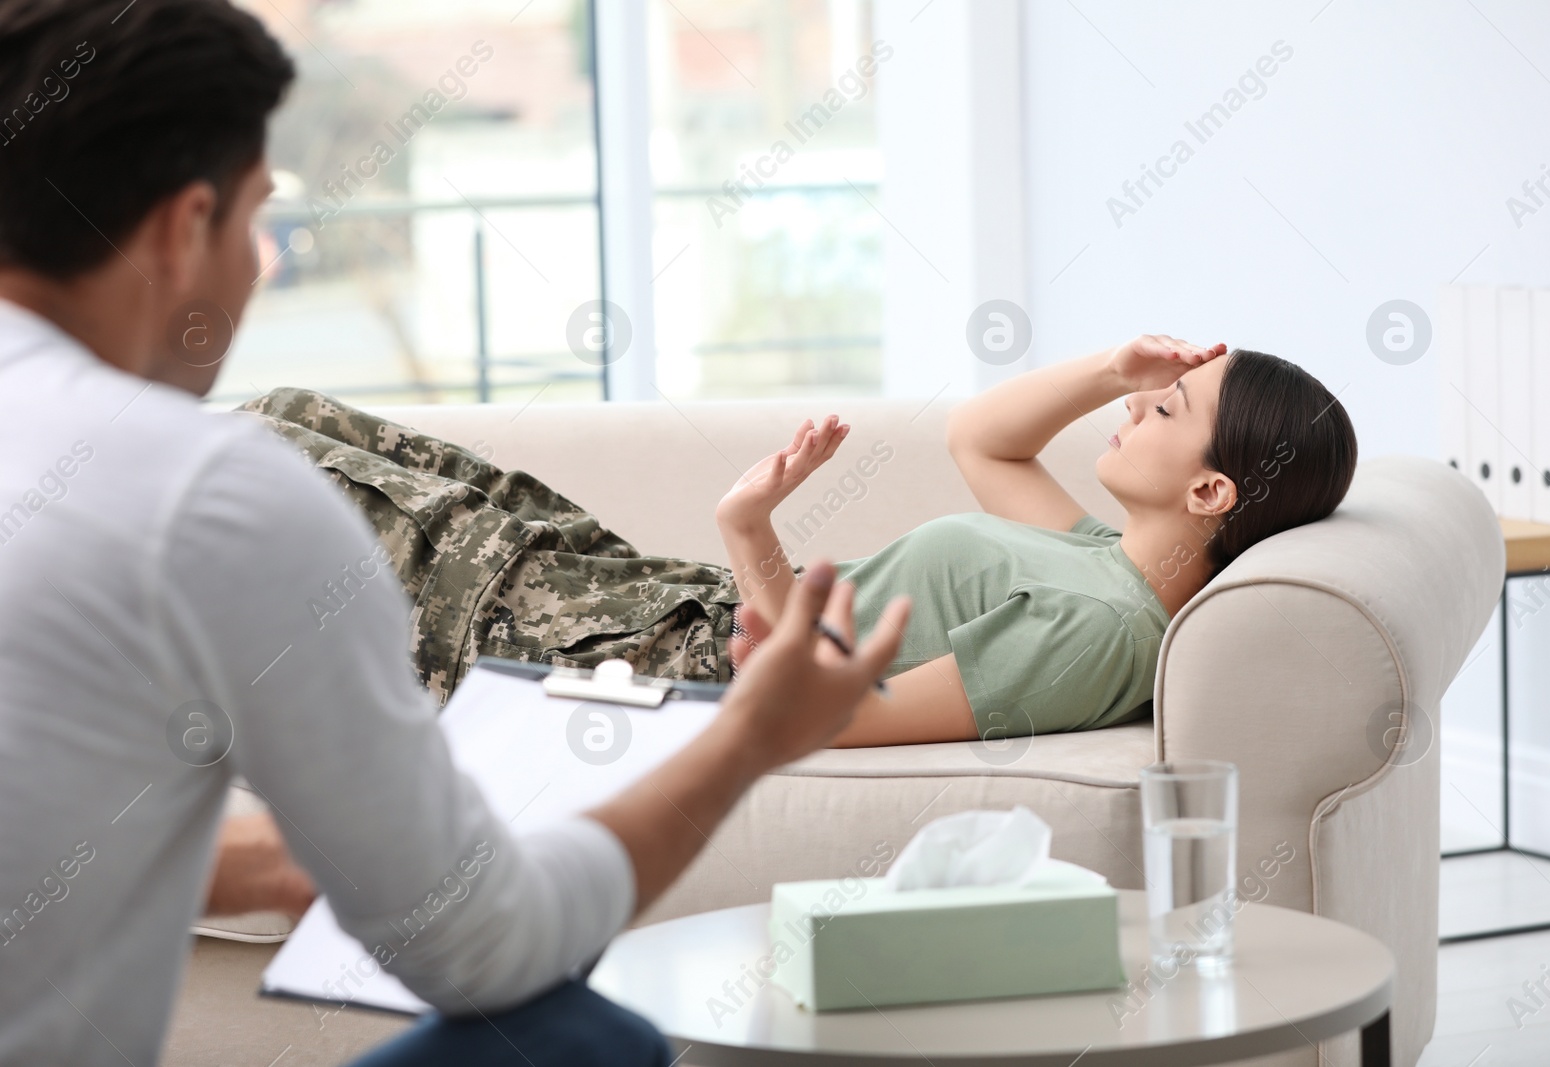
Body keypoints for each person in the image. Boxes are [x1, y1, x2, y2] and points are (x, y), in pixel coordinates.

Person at [0, 2, 907, 1065]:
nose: (266, 265)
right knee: (576, 1035)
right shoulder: (207, 492)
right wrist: (749, 736)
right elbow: (486, 949)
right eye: (257, 219)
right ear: (177, 228)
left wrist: (237, 858)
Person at [247, 336, 1357, 749]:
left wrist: (750, 530)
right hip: (651, 599)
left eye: (1163, 411)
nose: (1132, 412)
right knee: (294, 412)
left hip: (639, 659)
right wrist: (1115, 369)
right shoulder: (1096, 562)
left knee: (262, 456)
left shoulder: (1099, 628)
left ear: (1211, 488)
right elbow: (987, 442)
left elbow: (816, 711)